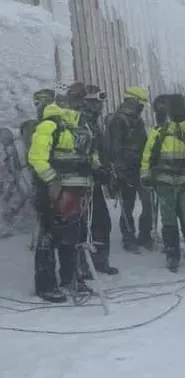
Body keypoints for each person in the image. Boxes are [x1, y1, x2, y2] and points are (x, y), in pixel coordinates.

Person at [29, 87, 102, 302]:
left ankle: (71, 278)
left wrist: (97, 168)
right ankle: (46, 285)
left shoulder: (80, 126)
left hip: (77, 190)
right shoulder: (49, 125)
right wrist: (51, 180)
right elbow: (36, 157)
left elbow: (89, 154)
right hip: (52, 191)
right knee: (49, 236)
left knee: (74, 237)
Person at [141, 93, 185, 272]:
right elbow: (148, 155)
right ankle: (172, 255)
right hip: (164, 183)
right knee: (168, 220)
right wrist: (146, 176)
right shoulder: (160, 131)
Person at [74, 84, 117, 275]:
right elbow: (82, 152)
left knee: (101, 222)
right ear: (87, 101)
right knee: (81, 225)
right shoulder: (79, 121)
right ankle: (82, 266)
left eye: (101, 103)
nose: (100, 106)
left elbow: (100, 150)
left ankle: (100, 261)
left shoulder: (96, 122)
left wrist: (107, 170)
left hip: (95, 180)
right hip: (80, 182)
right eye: (96, 102)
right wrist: (96, 168)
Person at [107, 86, 153, 252]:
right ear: (132, 101)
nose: (142, 108)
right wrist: (118, 172)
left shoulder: (138, 121)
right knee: (128, 204)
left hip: (141, 168)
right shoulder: (118, 121)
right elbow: (114, 148)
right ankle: (128, 237)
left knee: (148, 203)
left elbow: (145, 144)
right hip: (125, 170)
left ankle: (145, 235)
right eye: (141, 104)